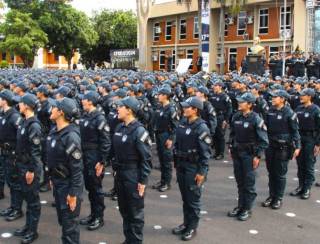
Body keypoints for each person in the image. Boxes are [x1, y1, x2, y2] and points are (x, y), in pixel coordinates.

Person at [112, 96, 152, 244]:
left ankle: (135, 241)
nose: (118, 108)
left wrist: (143, 181)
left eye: (121, 106)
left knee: (135, 213)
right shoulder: (119, 127)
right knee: (124, 210)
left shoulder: (139, 131)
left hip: (133, 175)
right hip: (121, 174)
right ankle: (128, 239)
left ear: (129, 110)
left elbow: (146, 159)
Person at [172, 96, 212, 241]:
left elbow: (205, 153)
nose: (184, 109)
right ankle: (186, 223)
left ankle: (192, 227)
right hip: (182, 165)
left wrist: (202, 172)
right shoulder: (183, 122)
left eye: (187, 107)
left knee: (193, 200)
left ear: (195, 110)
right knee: (185, 198)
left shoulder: (201, 127)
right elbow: (177, 143)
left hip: (193, 168)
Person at [47, 98, 83, 244]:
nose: (51, 110)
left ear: (61, 112)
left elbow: (77, 168)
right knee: (63, 221)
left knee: (70, 227)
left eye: (54, 108)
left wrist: (73, 193)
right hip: (58, 182)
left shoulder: (70, 136)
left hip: (68, 185)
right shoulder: (55, 131)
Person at [228, 92, 269, 221]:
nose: (239, 103)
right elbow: (232, 134)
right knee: (240, 181)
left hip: (249, 155)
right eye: (239, 101)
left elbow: (264, 141)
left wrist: (257, 156)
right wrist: (231, 146)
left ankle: (247, 209)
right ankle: (240, 206)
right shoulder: (236, 116)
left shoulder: (256, 119)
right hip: (237, 153)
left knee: (249, 183)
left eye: (242, 102)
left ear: (250, 104)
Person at [262, 90, 301, 209]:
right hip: (270, 145)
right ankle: (271, 195)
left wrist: (297, 146)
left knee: (280, 174)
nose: (273, 99)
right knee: (271, 173)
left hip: (283, 147)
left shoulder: (289, 113)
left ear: (283, 99)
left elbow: (295, 131)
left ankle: (278, 198)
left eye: (276, 97)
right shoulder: (270, 111)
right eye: (272, 97)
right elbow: (265, 128)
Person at [79, 91, 111, 230]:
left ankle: (99, 217)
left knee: (96, 188)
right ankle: (93, 214)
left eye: (84, 99)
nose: (82, 101)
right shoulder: (85, 115)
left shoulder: (99, 118)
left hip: (94, 156)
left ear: (90, 101)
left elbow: (105, 141)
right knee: (89, 187)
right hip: (85, 155)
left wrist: (102, 161)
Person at [14, 93, 42, 243]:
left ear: (27, 106)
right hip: (22, 165)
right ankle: (28, 226)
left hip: (29, 167)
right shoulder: (25, 122)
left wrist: (31, 170)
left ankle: (33, 230)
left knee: (32, 200)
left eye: (21, 103)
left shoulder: (34, 125)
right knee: (27, 197)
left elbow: (35, 151)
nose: (19, 105)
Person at [291, 88, 320, 199]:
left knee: (309, 164)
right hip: (300, 138)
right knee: (300, 163)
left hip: (310, 139)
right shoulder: (298, 108)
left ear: (310, 97)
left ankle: (307, 188)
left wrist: (318, 144)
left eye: (303, 95)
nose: (301, 97)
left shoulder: (316, 110)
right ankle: (301, 186)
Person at [0, 90, 23, 220]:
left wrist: (17, 155)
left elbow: (20, 137)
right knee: (10, 181)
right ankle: (13, 206)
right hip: (5, 152)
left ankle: (17, 209)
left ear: (4, 100)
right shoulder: (5, 114)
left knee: (15, 182)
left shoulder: (14, 116)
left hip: (12, 154)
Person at [153, 86, 179, 192]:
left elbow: (175, 126)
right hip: (159, 135)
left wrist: (171, 139)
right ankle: (162, 180)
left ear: (165, 96)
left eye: (160, 94)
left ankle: (167, 183)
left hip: (166, 135)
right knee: (161, 159)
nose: (158, 96)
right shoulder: (160, 107)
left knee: (167, 161)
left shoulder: (171, 108)